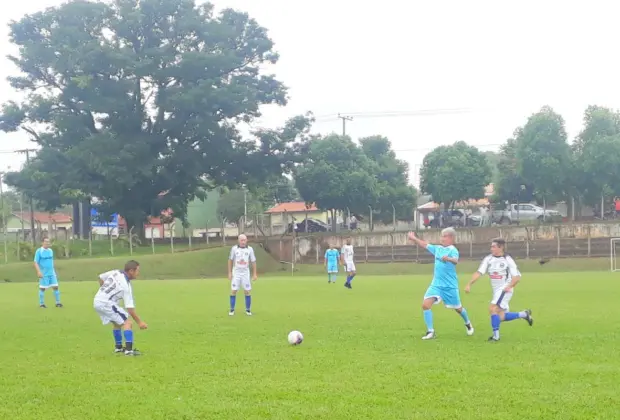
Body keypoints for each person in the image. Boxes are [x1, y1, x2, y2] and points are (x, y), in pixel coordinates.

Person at [408, 229, 474, 340]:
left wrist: (448, 258)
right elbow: (424, 244)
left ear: (451, 238)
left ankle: (468, 323)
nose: (442, 238)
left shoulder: (453, 250)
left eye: (445, 236)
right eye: (442, 236)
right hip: (436, 285)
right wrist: (414, 238)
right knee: (425, 305)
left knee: (458, 308)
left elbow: (455, 261)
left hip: (449, 286)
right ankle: (430, 332)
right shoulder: (437, 249)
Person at [465, 238, 533, 342]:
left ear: (500, 247)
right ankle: (524, 314)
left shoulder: (508, 259)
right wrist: (469, 284)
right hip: (496, 290)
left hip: (505, 289)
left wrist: (509, 286)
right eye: (491, 246)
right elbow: (479, 272)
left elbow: (517, 277)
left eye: (493, 246)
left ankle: (496, 337)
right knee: (500, 316)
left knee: (492, 309)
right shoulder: (488, 259)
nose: (491, 248)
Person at [93, 260, 147, 356]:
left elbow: (101, 277)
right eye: (137, 271)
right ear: (131, 271)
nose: (138, 273)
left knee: (117, 323)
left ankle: (118, 348)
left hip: (97, 300)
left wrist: (104, 291)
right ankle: (129, 350)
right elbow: (130, 309)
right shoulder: (125, 286)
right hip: (106, 303)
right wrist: (140, 322)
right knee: (127, 322)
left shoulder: (116, 272)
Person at [228, 234, 257, 316]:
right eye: (241, 240)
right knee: (233, 291)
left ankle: (248, 310)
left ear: (246, 240)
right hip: (236, 272)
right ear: (238, 240)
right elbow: (230, 260)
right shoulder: (234, 249)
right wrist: (230, 272)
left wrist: (254, 274)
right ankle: (232, 310)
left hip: (245, 273)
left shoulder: (250, 249)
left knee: (247, 291)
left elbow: (253, 261)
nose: (243, 242)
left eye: (244, 240)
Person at [34, 237, 62, 308]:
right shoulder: (39, 251)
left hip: (52, 273)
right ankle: (42, 304)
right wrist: (38, 271)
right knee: (42, 288)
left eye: (48, 242)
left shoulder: (50, 251)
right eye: (46, 242)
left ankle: (58, 303)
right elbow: (35, 262)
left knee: (56, 287)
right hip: (44, 273)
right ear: (42, 242)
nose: (47, 243)